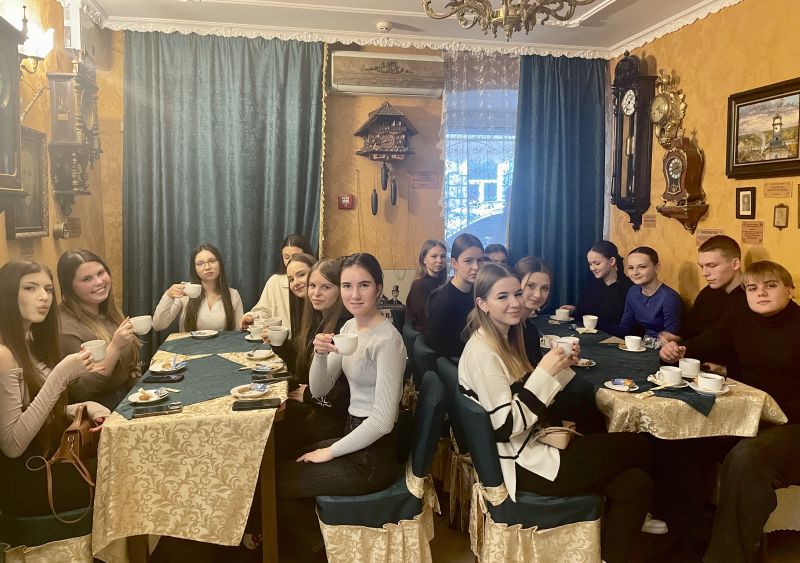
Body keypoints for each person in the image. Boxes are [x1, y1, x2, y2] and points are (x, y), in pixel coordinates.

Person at [458, 263, 656, 563]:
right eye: (502, 297)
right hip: (523, 464)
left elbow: (525, 393)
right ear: (482, 303)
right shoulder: (484, 352)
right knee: (641, 445)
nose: (515, 302)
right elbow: (505, 426)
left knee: (637, 484)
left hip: (526, 450)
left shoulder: (502, 338)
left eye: (517, 293)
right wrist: (544, 372)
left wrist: (559, 368)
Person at [660, 261, 800, 563]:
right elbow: (699, 345)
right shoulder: (740, 318)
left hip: (792, 425)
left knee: (747, 457)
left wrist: (765, 410)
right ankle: (693, 539)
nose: (760, 293)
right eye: (752, 288)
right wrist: (674, 351)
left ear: (789, 290)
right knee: (678, 439)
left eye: (770, 286)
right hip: (749, 417)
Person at [276, 253, 406, 560]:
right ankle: (326, 545)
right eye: (347, 286)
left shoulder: (387, 340)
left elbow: (383, 421)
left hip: (373, 458)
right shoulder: (349, 328)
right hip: (353, 437)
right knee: (276, 466)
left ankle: (325, 549)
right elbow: (320, 388)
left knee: (277, 484)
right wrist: (321, 354)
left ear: (378, 288)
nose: (354, 294)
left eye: (364, 285)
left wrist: (331, 451)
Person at [0, 260, 110, 517]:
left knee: (124, 456)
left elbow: (35, 410)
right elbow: (13, 445)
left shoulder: (29, 340)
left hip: (50, 460)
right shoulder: (3, 354)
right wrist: (61, 375)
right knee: (122, 470)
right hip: (27, 482)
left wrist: (87, 407)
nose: (44, 297)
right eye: (30, 288)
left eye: (48, 289)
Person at [515, 257, 606, 435]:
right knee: (582, 393)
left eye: (544, 288)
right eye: (530, 286)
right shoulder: (511, 328)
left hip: (537, 394)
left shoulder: (529, 328)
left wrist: (564, 361)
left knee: (583, 388)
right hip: (527, 406)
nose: (538, 295)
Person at [269, 259, 351, 448]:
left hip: (333, 419)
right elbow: (304, 367)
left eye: (326, 287)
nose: (315, 293)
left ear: (341, 289)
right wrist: (280, 344)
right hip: (316, 408)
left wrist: (309, 395)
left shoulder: (344, 327)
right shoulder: (318, 319)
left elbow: (346, 394)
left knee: (271, 434)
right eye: (312, 286)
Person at [57, 249, 141, 410]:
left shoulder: (107, 311)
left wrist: (136, 378)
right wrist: (115, 347)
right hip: (98, 411)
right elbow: (82, 391)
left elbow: (130, 364)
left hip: (127, 399)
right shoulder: (65, 328)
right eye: (87, 279)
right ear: (69, 287)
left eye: (101, 273)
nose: (99, 282)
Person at [660, 236, 747, 359]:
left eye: (712, 265)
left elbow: (719, 339)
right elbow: (694, 331)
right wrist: (676, 340)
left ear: (735, 264)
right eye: (702, 266)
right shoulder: (708, 292)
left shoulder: (751, 298)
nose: (705, 273)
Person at [152, 244, 243, 332]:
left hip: (223, 343)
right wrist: (168, 295)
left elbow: (238, 332)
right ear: (194, 269)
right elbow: (158, 325)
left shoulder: (233, 294)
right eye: (200, 264)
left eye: (212, 261)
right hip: (189, 343)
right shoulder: (185, 292)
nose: (207, 267)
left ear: (220, 264)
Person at [425, 234, 484, 357]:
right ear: (454, 263)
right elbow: (439, 349)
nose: (476, 267)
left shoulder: (478, 293)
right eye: (468, 261)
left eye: (480, 260)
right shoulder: (443, 301)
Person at [242, 234, 314, 334]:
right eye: (286, 257)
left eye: (295, 256)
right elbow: (264, 310)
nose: (290, 261)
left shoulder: (316, 282)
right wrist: (252, 317)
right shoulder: (275, 281)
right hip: (284, 339)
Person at [561, 241, 632, 334]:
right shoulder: (592, 284)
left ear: (612, 261)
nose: (592, 268)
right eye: (590, 264)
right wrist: (574, 310)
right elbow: (584, 312)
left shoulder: (629, 288)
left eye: (597, 263)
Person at [614, 246, 683, 338]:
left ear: (657, 267)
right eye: (631, 268)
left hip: (662, 346)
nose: (635, 273)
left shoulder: (670, 298)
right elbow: (624, 327)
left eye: (642, 267)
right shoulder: (633, 291)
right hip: (640, 343)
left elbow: (671, 339)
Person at [405, 239, 447, 333]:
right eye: (434, 256)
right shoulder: (418, 286)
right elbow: (426, 320)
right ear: (424, 259)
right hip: (427, 334)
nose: (439, 260)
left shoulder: (445, 284)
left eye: (443, 256)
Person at [284, 252, 317, 353]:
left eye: (301, 275)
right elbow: (300, 359)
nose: (296, 283)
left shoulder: (323, 309)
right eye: (291, 279)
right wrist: (280, 343)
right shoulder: (301, 310)